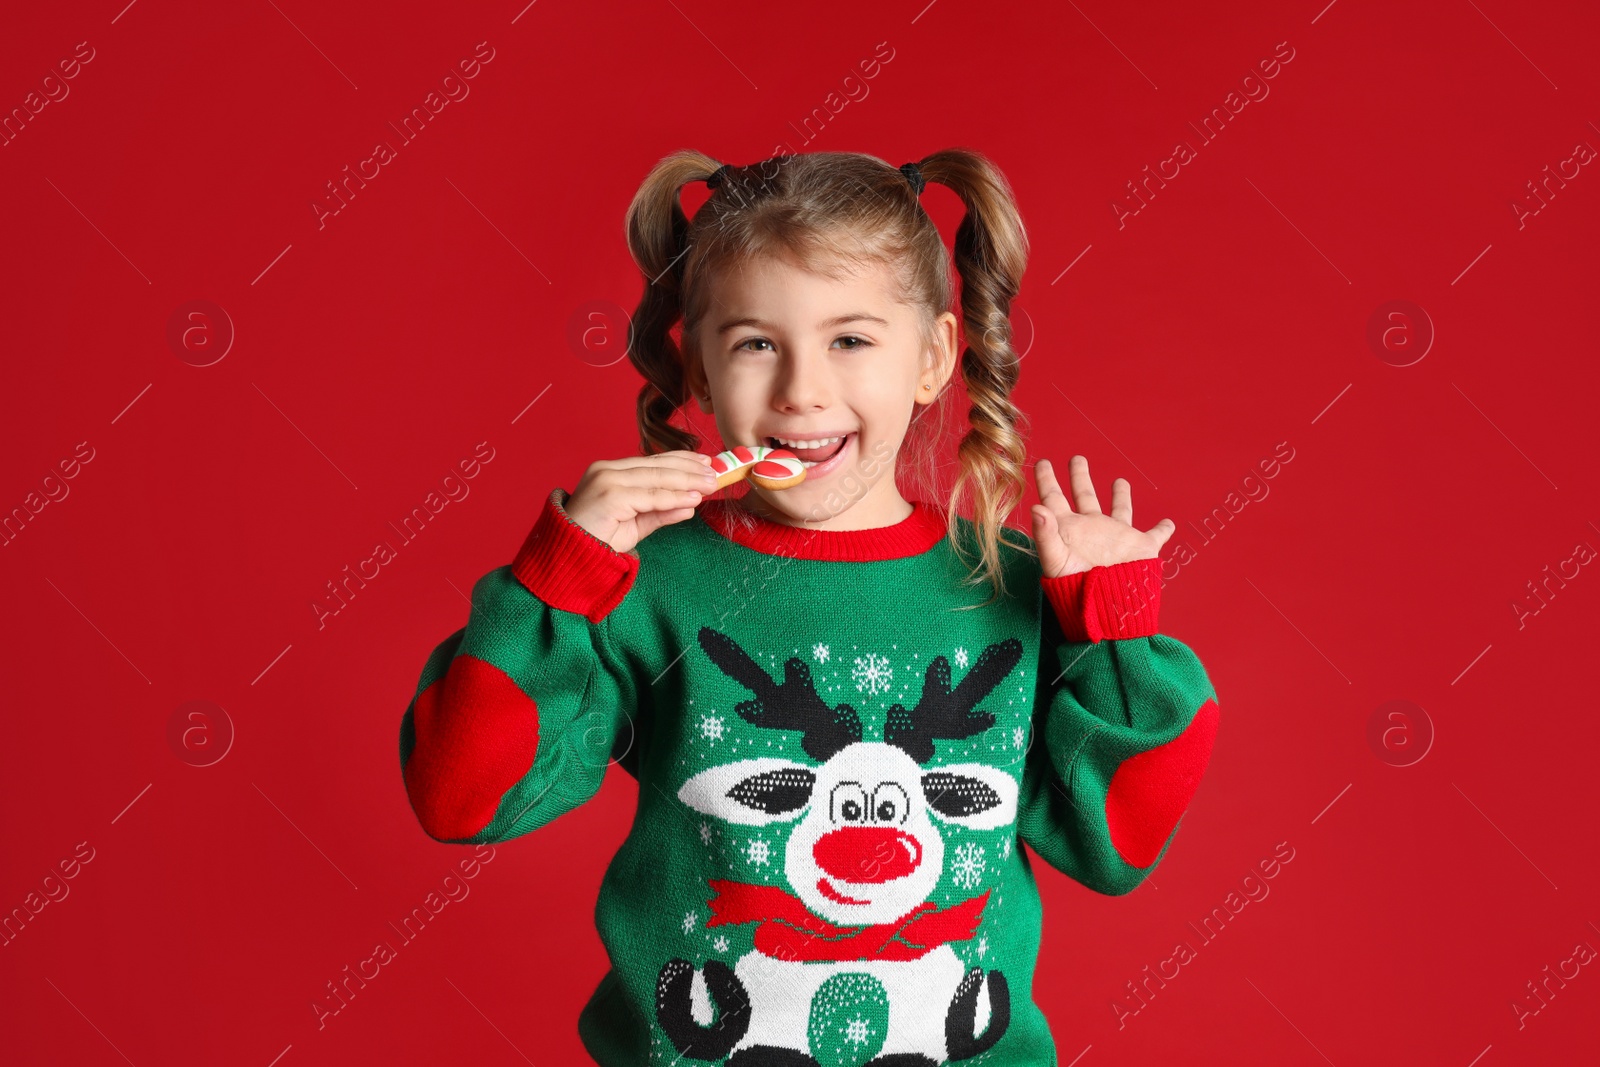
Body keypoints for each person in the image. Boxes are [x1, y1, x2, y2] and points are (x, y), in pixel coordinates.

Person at [398, 148, 1221, 1066]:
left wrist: (1114, 633)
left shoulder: (1013, 589)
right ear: (700, 373)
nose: (801, 390)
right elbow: (460, 797)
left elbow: (1122, 845)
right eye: (756, 343)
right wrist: (552, 580)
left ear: (934, 358)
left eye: (851, 340)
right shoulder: (642, 582)